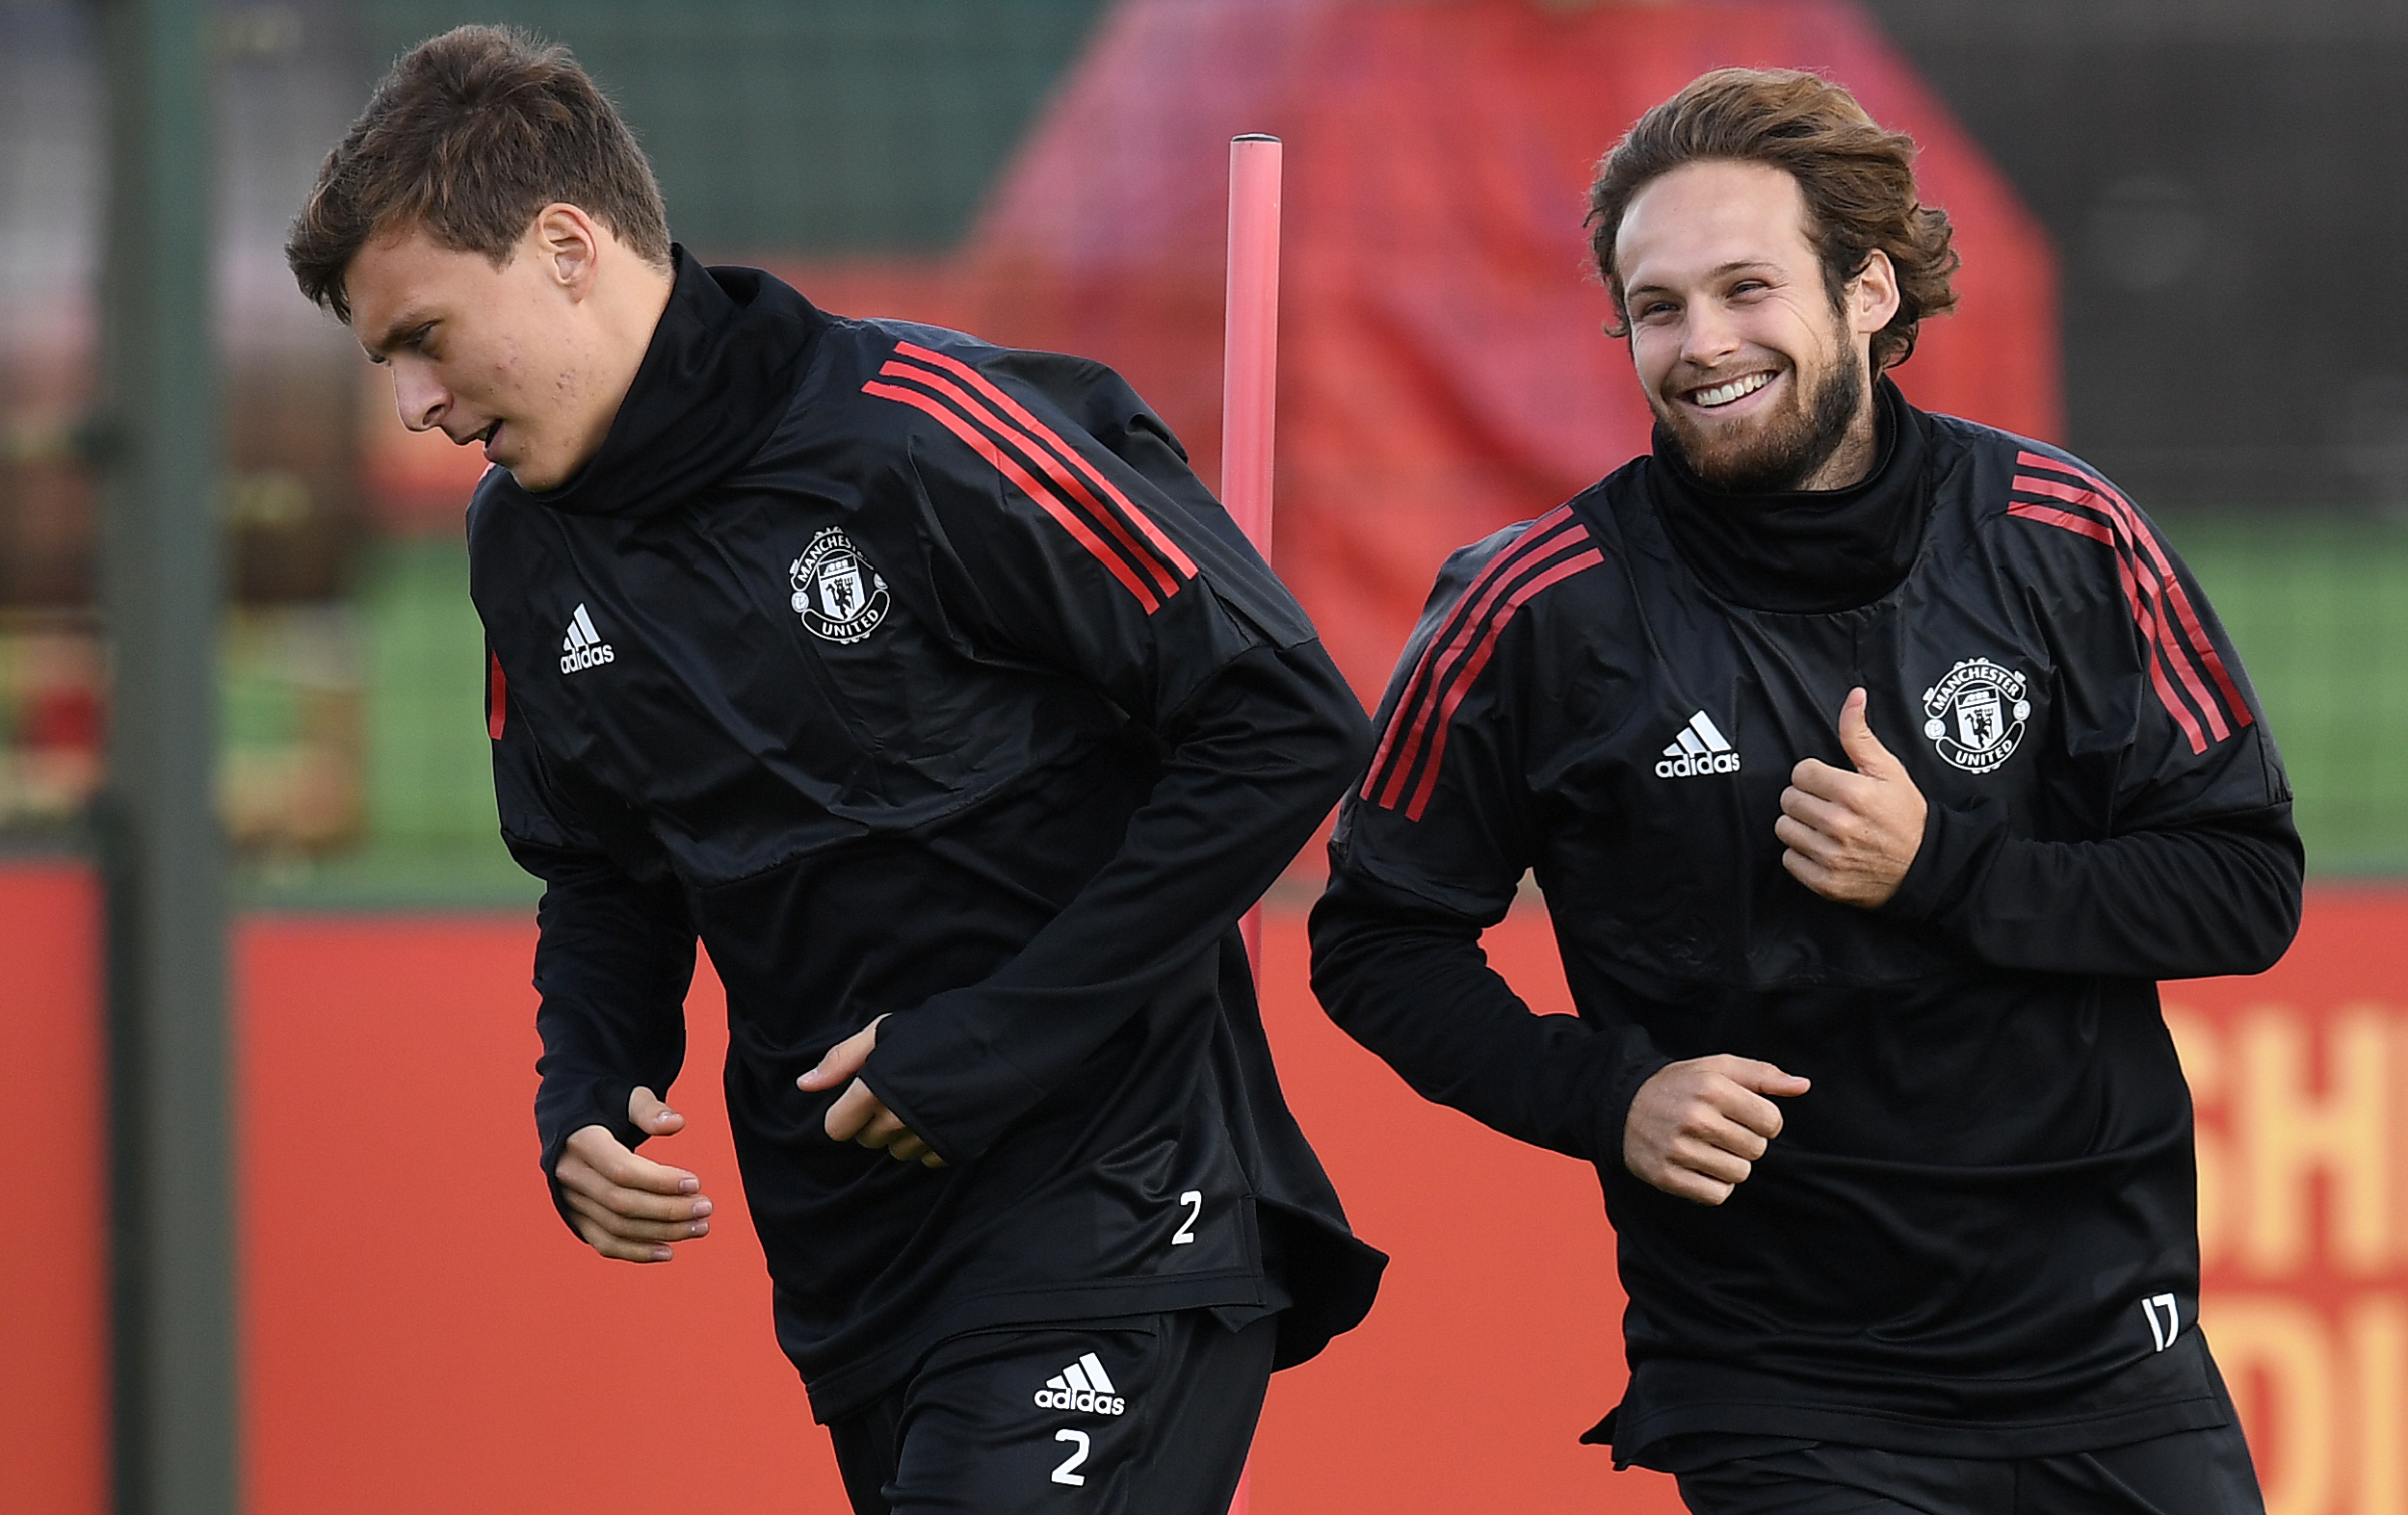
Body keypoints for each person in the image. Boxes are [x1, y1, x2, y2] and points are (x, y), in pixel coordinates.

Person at [286, 26, 1383, 1515]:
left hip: (1115, 1206)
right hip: (859, 1267)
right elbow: (604, 870)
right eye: (381, 361)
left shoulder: (915, 431)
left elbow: (1286, 719)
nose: (412, 405)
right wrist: (590, 1085)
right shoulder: (520, 549)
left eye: (422, 336)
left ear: (563, 246)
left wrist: (997, 1038)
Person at [1310, 66, 2299, 1515]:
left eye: (1744, 289)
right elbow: (1375, 937)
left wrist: (1944, 868)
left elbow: (2245, 883)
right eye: (1657, 308)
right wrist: (1606, 1093)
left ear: (1871, 293)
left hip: (2111, 1360)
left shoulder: (2067, 535)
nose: (1701, 344)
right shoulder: (1539, 608)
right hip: (1777, 1384)